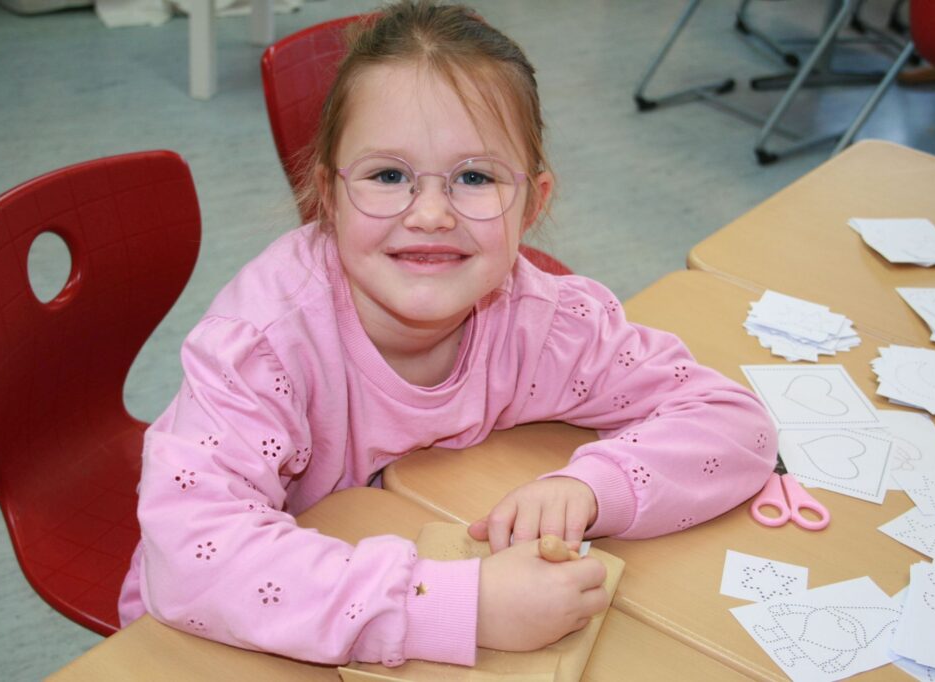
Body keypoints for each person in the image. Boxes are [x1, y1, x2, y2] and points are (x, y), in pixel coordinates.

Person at [118, 0, 777, 668]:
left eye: (474, 177)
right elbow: (190, 562)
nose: (430, 214)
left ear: (532, 204)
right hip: (224, 637)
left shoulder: (537, 321)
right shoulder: (263, 348)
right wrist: (459, 606)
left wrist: (591, 488)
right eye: (388, 175)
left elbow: (733, 422)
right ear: (328, 196)